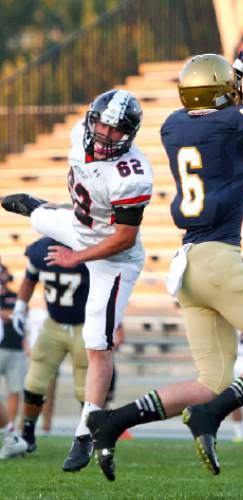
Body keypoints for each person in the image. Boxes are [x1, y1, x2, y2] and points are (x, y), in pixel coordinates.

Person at [83, 19, 243, 481]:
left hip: (187, 266)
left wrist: (242, 63)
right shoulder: (237, 122)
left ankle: (111, 423)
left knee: (210, 383)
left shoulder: (173, 126)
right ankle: (210, 418)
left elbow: (218, 105)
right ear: (224, 92)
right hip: (220, 260)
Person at [1, 88, 153, 473]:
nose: (104, 135)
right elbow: (83, 195)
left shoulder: (131, 175)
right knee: (36, 214)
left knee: (97, 346)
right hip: (79, 226)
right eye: (101, 124)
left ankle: (86, 432)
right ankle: (39, 209)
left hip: (113, 258)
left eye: (115, 130)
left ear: (130, 134)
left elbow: (123, 236)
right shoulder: (76, 136)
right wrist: (62, 217)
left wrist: (75, 257)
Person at [11, 236, 90, 454]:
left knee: (85, 388)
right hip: (53, 323)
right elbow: (29, 279)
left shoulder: (88, 245)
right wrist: (19, 307)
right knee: (34, 381)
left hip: (85, 325)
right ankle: (27, 435)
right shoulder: (40, 250)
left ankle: (87, 436)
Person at [0, 264, 26, 430]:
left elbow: (18, 315)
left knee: (15, 390)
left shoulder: (14, 296)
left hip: (15, 348)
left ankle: (9, 429)